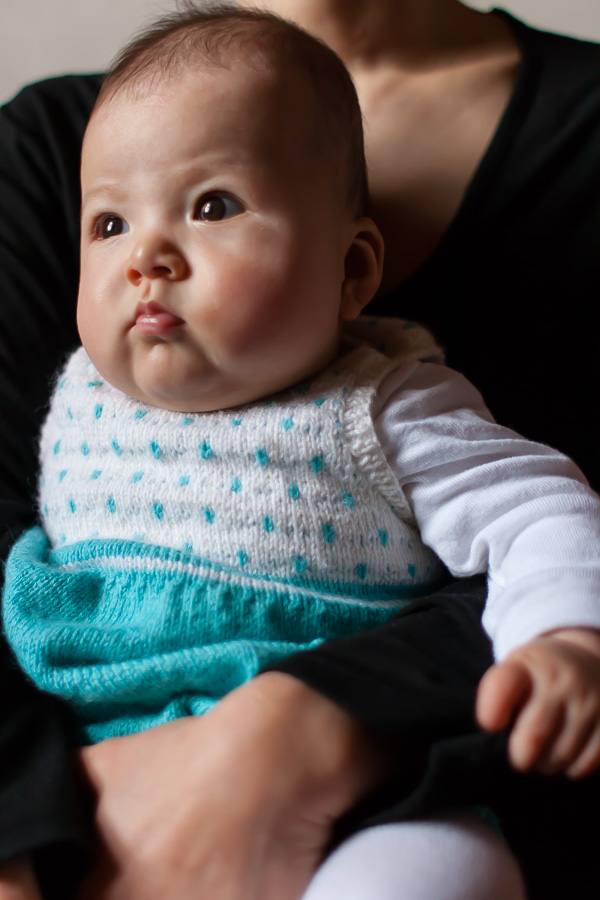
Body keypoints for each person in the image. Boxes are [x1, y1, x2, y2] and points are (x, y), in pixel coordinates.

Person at [1, 2, 600, 899]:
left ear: (353, 270)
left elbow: (538, 511)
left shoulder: (381, 404)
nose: (145, 258)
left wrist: (564, 636)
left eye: (212, 207)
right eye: (109, 224)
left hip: (374, 798)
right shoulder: (77, 394)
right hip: (87, 772)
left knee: (441, 870)